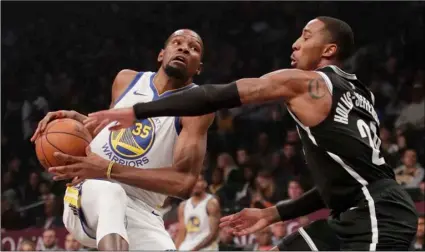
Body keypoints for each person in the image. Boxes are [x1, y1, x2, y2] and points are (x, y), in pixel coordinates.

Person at [86, 16, 419, 250]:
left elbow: (217, 95)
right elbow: (344, 182)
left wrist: (138, 109)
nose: (295, 42)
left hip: (378, 213)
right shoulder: (360, 92)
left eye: (305, 36)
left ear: (328, 50)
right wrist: (273, 213)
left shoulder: (307, 82)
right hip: (352, 212)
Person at [31, 29, 214, 250]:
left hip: (144, 213)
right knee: (112, 192)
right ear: (161, 54)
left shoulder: (198, 108)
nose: (184, 48)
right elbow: (107, 133)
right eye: (177, 43)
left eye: (194, 48)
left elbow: (183, 183)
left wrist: (108, 168)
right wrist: (77, 125)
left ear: (199, 68)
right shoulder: (126, 80)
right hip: (89, 192)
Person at [175, 175, 221, 251]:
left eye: (198, 181)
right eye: (192, 182)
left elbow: (214, 234)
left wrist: (196, 249)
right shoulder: (183, 206)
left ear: (205, 183)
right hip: (187, 247)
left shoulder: (211, 203)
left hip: (206, 247)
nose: (195, 184)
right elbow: (181, 233)